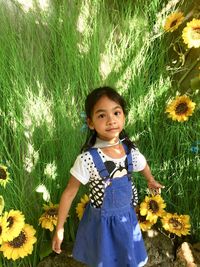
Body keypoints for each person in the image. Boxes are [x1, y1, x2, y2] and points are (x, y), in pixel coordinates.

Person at [52, 86, 164, 267]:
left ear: (124, 117)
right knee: (105, 260)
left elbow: (143, 165)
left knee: (128, 256)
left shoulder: (130, 152)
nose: (111, 120)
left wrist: (150, 179)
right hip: (101, 225)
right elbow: (69, 193)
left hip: (127, 218)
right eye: (102, 115)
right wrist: (59, 228)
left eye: (116, 113)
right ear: (90, 122)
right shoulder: (87, 159)